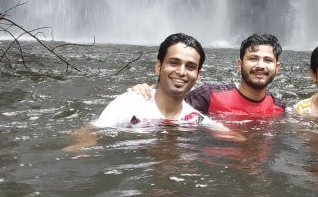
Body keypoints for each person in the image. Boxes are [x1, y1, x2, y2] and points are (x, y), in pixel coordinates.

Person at [66, 33, 215, 149]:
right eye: (174, 63)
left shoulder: (199, 121)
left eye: (190, 67)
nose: (181, 72)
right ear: (158, 67)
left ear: (198, 75)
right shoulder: (129, 104)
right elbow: (88, 131)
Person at [128, 33, 287, 119]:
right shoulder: (207, 96)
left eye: (268, 60)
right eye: (253, 58)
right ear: (240, 64)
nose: (260, 65)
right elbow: (169, 106)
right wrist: (149, 91)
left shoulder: (280, 108)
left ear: (277, 67)